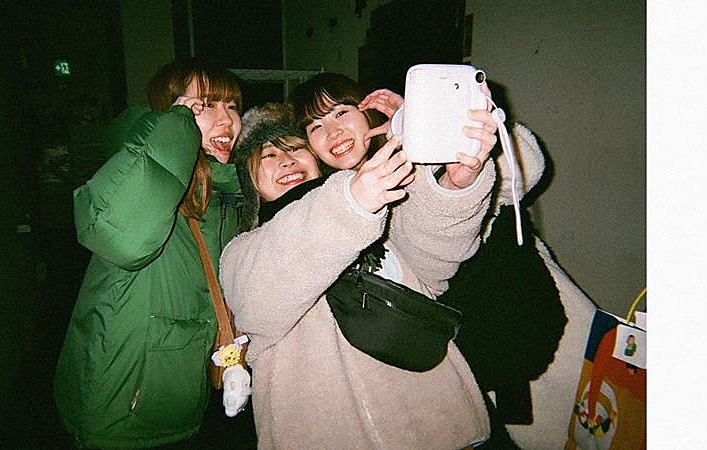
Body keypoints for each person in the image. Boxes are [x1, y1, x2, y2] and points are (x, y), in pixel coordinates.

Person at [294, 75, 600, 450]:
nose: (333, 132)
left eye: (341, 112)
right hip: (462, 348)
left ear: (367, 110)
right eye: (315, 126)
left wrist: (432, 122)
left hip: (529, 310)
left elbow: (527, 169)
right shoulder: (337, 199)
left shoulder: (419, 146)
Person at [221, 93, 499, 449]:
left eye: (295, 148)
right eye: (269, 156)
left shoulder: (378, 213)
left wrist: (456, 187)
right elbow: (257, 305)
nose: (287, 160)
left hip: (441, 428)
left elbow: (435, 267)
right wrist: (350, 203)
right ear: (250, 182)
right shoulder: (242, 253)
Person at [54, 58, 255, 449]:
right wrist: (177, 125)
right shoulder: (144, 178)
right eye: (204, 106)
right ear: (170, 113)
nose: (226, 120)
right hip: (120, 404)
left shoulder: (224, 195)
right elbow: (123, 241)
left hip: (181, 403)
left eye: (232, 106)